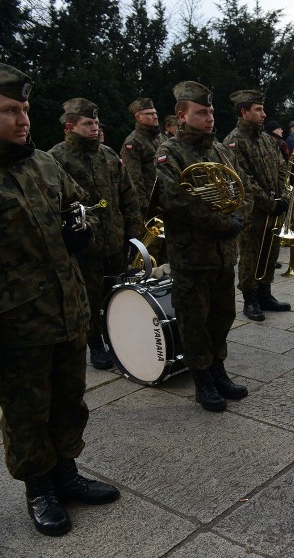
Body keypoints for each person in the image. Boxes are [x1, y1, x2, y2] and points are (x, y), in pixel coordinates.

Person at [0, 62, 120, 538]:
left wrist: (80, 226)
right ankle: (39, 488)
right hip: (17, 322)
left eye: (25, 109)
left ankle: (66, 474)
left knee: (69, 398)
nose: (23, 118)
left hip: (68, 309)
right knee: (27, 408)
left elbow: (76, 206)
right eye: (10, 110)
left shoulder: (43, 163)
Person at [154, 81, 248, 412]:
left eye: (210, 111)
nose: (209, 117)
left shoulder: (221, 150)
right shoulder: (169, 152)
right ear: (182, 115)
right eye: (201, 112)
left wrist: (239, 216)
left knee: (222, 315)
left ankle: (218, 370)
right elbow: (176, 200)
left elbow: (240, 189)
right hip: (191, 256)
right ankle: (202, 380)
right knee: (195, 320)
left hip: (223, 254)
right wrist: (224, 223)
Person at [49, 98, 144, 370]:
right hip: (86, 245)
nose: (94, 128)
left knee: (115, 293)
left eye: (96, 123)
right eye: (88, 123)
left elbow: (128, 195)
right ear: (70, 126)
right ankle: (95, 344)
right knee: (89, 296)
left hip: (115, 241)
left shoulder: (109, 155)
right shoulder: (56, 157)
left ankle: (116, 339)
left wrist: (133, 234)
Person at [223, 89, 291, 322]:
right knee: (250, 254)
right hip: (252, 210)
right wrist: (269, 202)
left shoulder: (266, 139)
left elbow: (282, 166)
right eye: (258, 109)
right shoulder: (233, 141)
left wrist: (282, 194)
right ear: (244, 112)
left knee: (271, 251)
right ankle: (250, 299)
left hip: (272, 207)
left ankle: (265, 294)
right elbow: (242, 180)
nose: (264, 114)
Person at [120, 97, 168, 207]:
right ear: (138, 117)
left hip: (169, 198)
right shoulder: (133, 143)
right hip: (150, 201)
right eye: (149, 114)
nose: (155, 117)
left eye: (155, 113)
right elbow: (133, 178)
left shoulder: (163, 139)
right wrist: (144, 205)